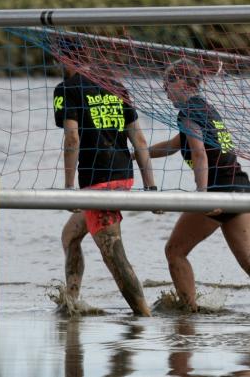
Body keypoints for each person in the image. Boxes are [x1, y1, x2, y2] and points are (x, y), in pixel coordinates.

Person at [149, 58, 250, 313]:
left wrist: (202, 196)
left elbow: (199, 153)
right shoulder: (205, 109)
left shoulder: (188, 112)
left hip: (218, 193)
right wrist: (136, 154)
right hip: (240, 190)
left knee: (174, 251)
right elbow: (174, 145)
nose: (164, 89)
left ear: (183, 82)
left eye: (167, 83)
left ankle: (189, 313)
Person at [54, 44, 156, 316]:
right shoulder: (115, 86)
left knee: (113, 253)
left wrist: (68, 188)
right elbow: (140, 139)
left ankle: (144, 316)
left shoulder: (67, 88)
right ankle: (71, 302)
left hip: (97, 183)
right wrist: (150, 187)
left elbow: (72, 138)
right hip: (124, 177)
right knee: (70, 235)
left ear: (65, 59)